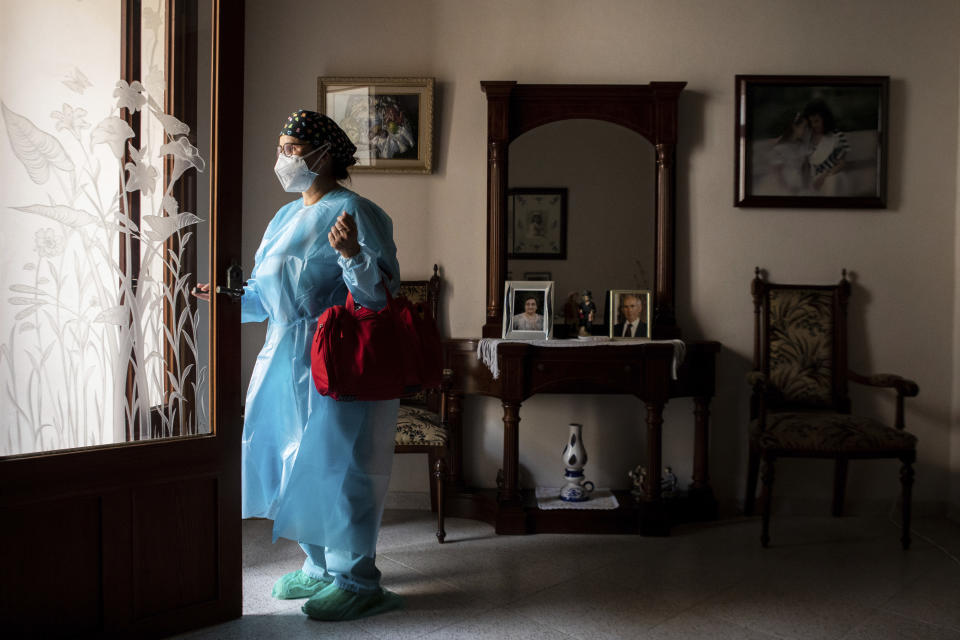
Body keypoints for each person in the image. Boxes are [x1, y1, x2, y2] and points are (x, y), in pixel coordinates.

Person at [193, 109, 403, 622]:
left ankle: (358, 580)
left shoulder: (357, 211)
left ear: (322, 154)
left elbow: (378, 297)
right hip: (282, 354)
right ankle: (317, 565)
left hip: (335, 357)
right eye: (281, 147)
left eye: (290, 148)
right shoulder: (284, 217)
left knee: (342, 466)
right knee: (292, 461)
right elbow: (267, 298)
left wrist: (353, 254)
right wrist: (226, 299)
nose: (283, 159)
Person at [801, 99, 850, 196]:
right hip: (813, 180)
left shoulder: (837, 136)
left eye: (817, 121)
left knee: (831, 182)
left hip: (833, 175)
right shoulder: (808, 138)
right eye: (811, 122)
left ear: (825, 118)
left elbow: (842, 164)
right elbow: (805, 165)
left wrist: (823, 176)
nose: (814, 125)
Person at [768, 112, 811, 195]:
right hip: (784, 183)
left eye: (807, 128)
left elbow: (806, 167)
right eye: (804, 127)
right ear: (794, 127)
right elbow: (777, 174)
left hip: (801, 181)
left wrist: (805, 183)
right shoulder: (779, 149)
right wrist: (787, 188)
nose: (806, 131)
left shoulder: (802, 146)